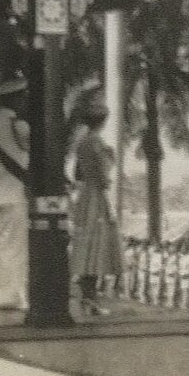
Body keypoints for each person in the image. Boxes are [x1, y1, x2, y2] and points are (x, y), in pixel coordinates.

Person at [69, 98, 123, 315]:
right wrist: (111, 158)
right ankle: (90, 300)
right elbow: (104, 176)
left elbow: (76, 173)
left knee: (86, 248)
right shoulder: (97, 144)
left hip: (84, 196)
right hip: (97, 197)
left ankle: (87, 298)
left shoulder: (81, 143)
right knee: (97, 249)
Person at [0, 78, 30, 311]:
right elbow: (25, 159)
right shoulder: (16, 125)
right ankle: (16, 295)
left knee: (3, 247)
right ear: (15, 99)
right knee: (17, 248)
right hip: (16, 192)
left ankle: (6, 293)